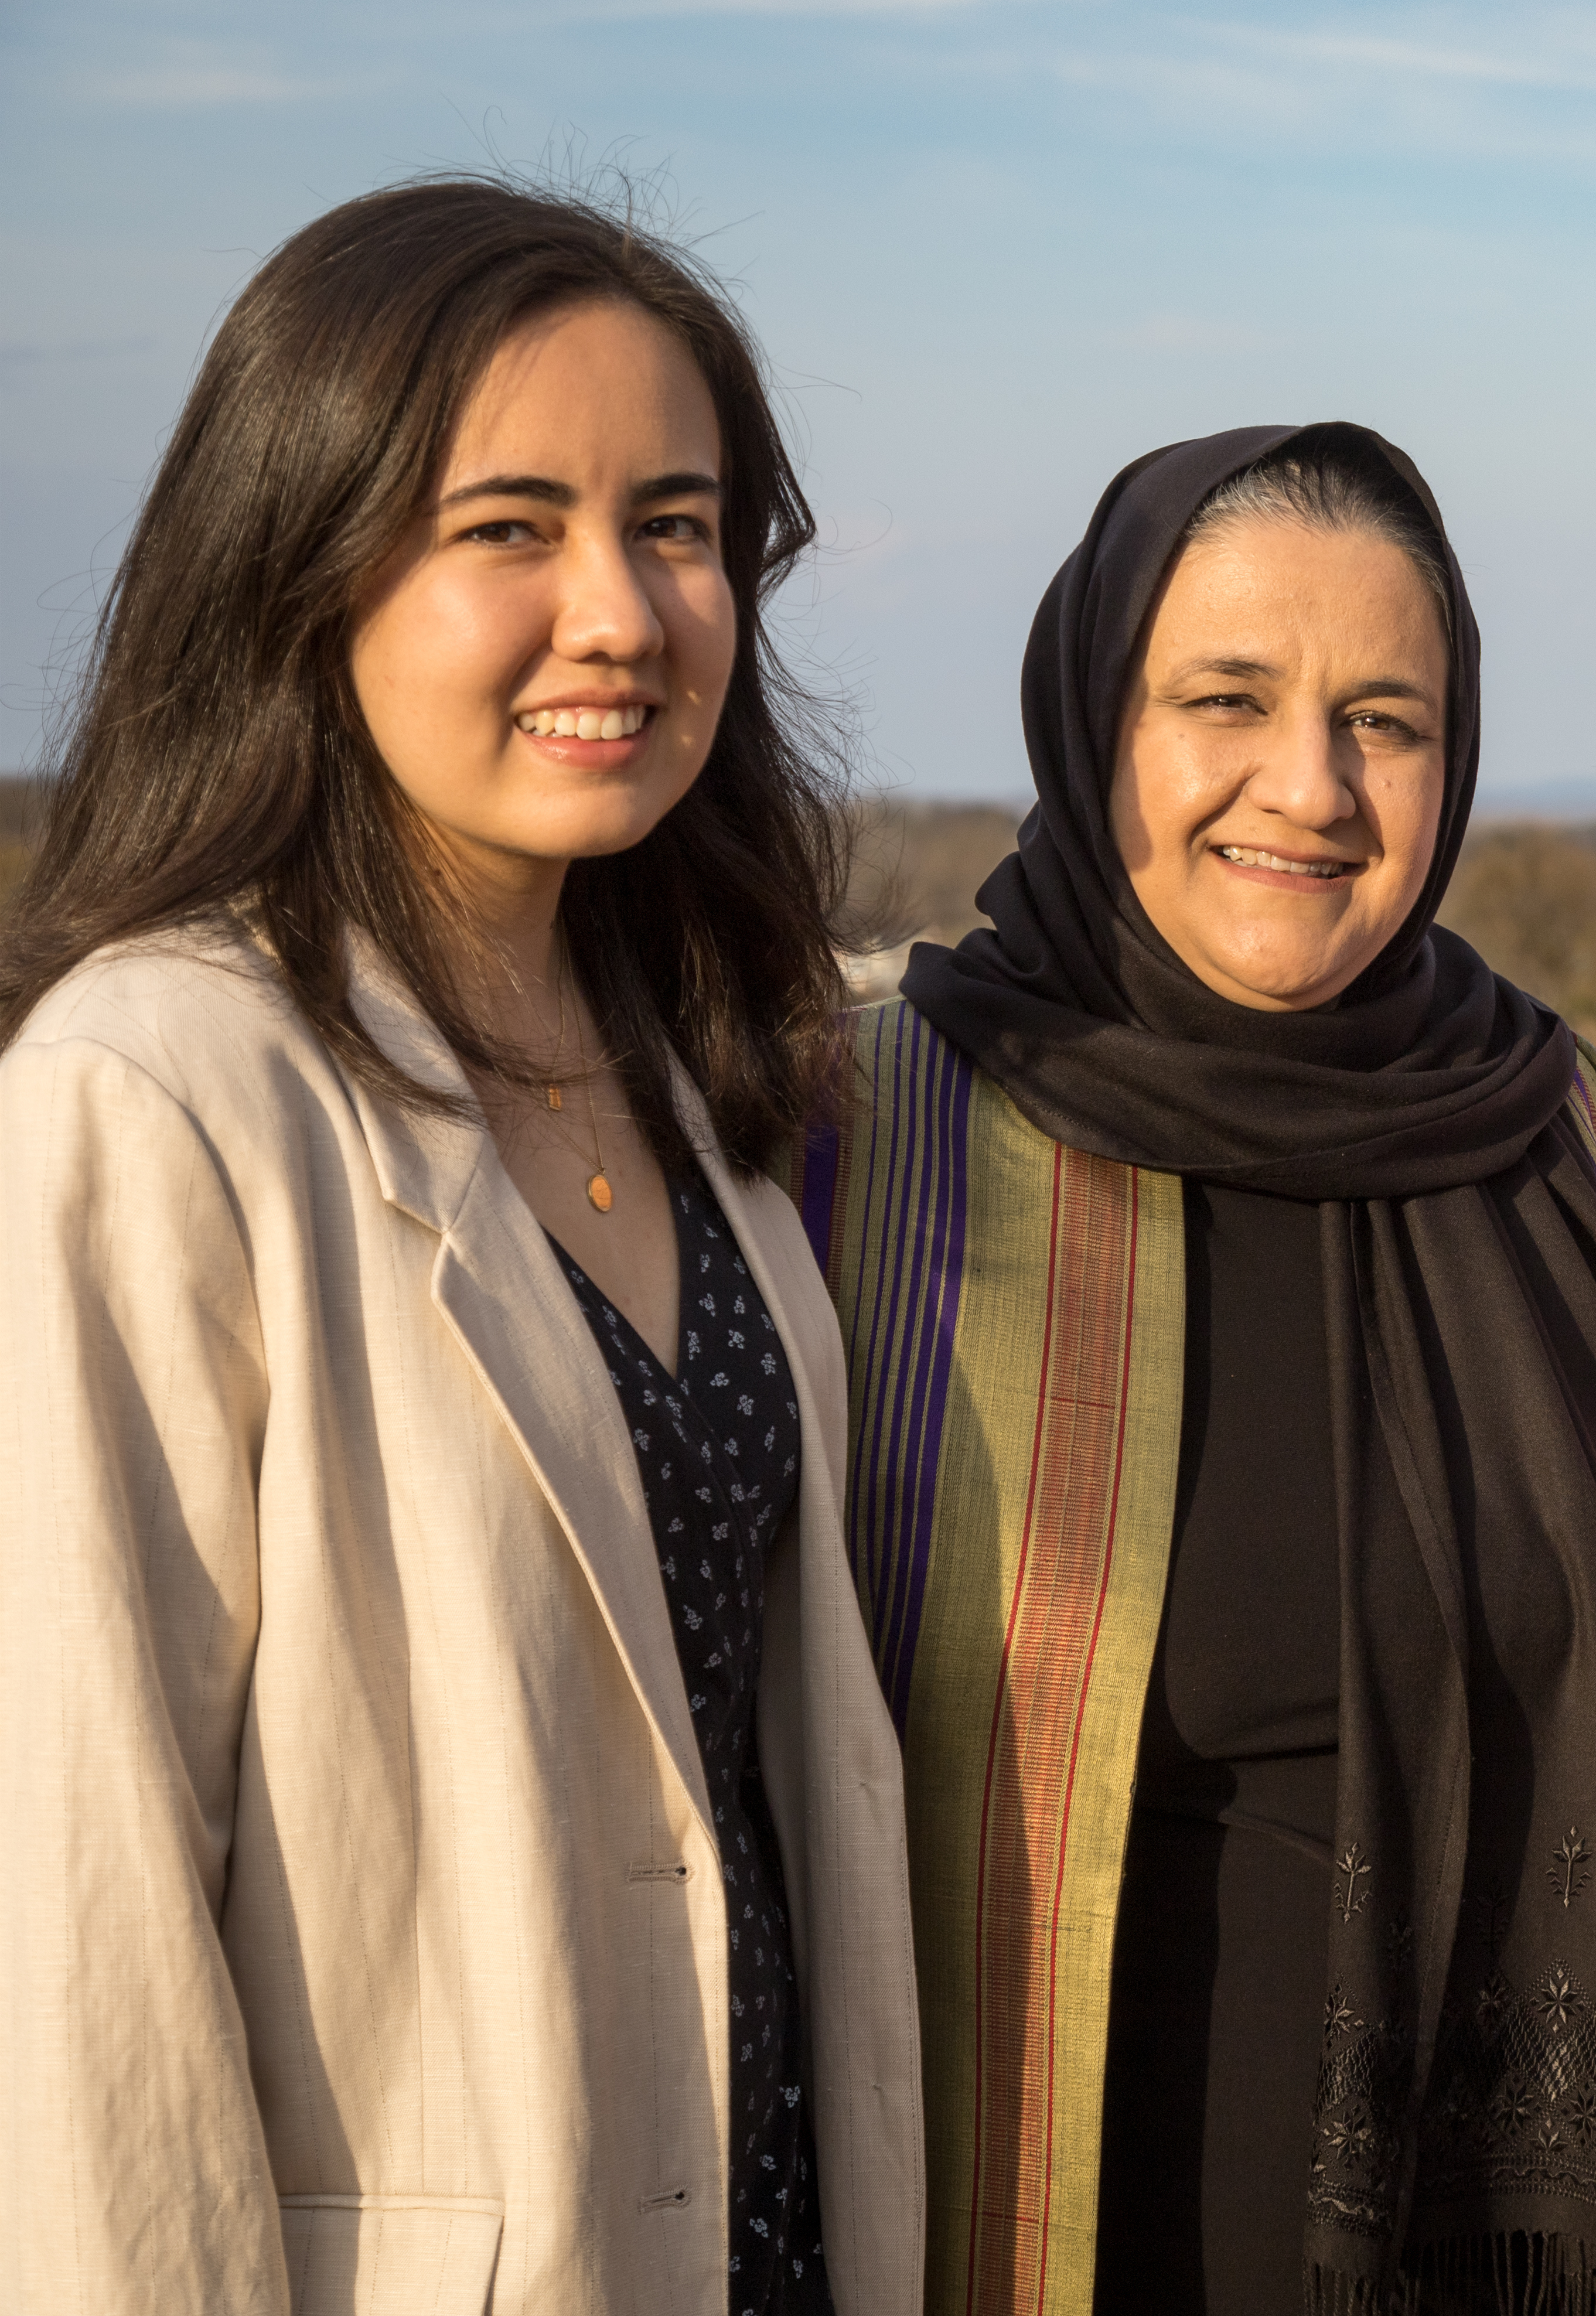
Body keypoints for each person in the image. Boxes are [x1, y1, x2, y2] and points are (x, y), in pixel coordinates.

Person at [0, 178, 919, 2313]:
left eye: (674, 525)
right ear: (300, 566)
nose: (618, 610)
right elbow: (79, 1946)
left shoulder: (700, 1079)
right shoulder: (154, 1093)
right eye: (508, 526)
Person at [793, 424, 1596, 2316]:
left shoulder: (1552, 1127)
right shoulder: (858, 1133)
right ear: (1090, 710)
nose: (1307, 787)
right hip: (1008, 2233)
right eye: (1224, 696)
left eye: (1384, 718)